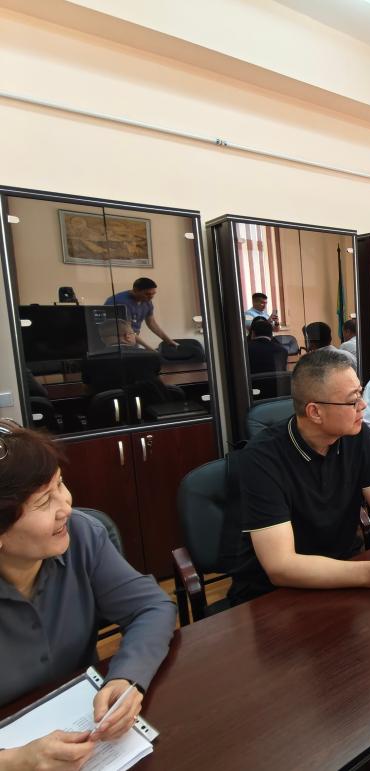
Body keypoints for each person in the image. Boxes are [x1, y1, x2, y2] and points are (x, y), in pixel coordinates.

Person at [0, 422, 176, 767]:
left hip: (82, 726)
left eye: (60, 484)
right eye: (44, 501)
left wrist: (127, 677)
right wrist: (16, 761)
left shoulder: (81, 535)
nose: (66, 505)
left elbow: (151, 607)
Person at [221, 349, 370, 605]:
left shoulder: (358, 436)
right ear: (315, 412)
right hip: (274, 596)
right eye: (352, 400)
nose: (363, 405)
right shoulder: (261, 458)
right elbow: (280, 566)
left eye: (360, 393)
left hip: (343, 572)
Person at [104, 277, 178, 352]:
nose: (151, 297)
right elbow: (127, 331)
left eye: (153, 294)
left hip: (132, 339)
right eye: (147, 294)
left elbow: (152, 323)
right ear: (135, 290)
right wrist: (150, 349)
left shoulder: (147, 301)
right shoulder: (120, 302)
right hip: (117, 343)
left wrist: (169, 341)